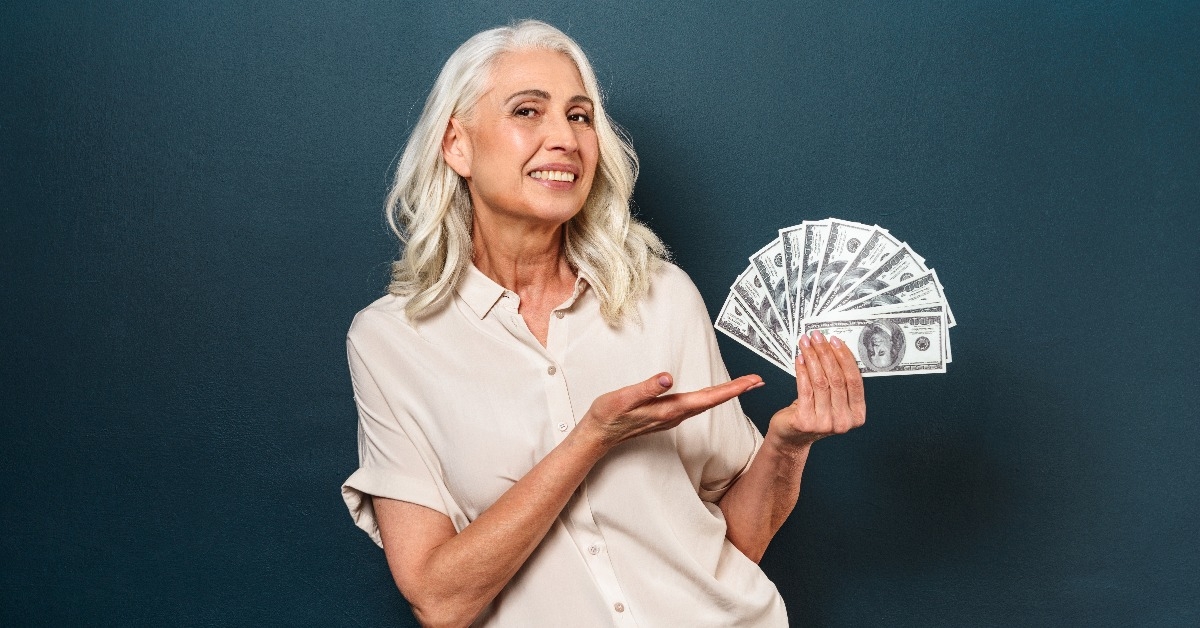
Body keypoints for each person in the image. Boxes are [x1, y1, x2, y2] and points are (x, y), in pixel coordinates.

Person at [341, 20, 866, 627]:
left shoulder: (662, 298)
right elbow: (439, 602)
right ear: (457, 143)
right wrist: (591, 439)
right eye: (528, 112)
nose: (563, 137)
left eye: (580, 116)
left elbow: (736, 547)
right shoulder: (390, 342)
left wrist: (788, 444)